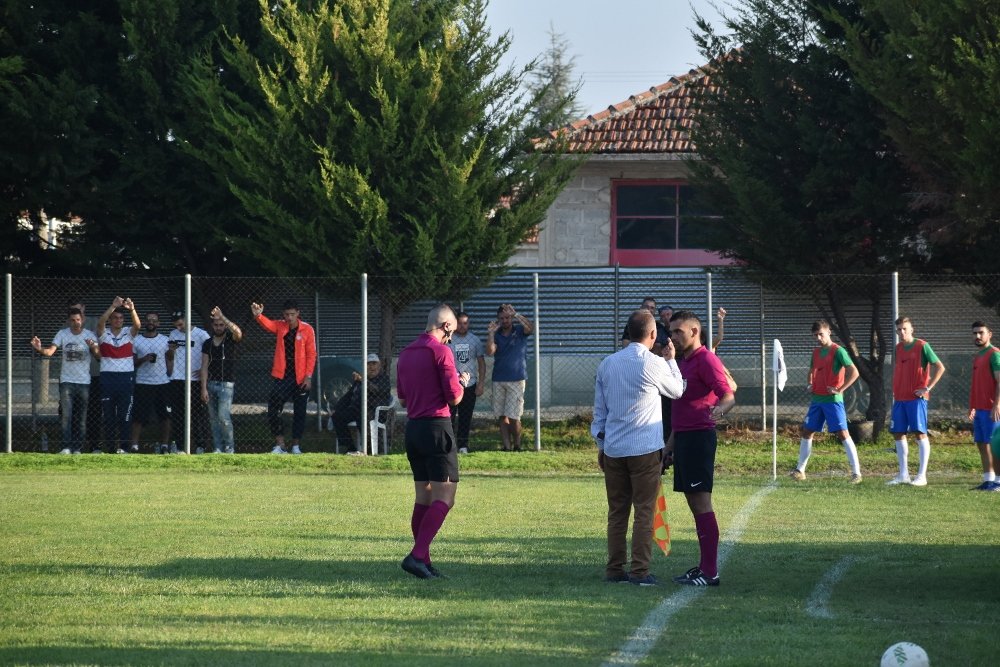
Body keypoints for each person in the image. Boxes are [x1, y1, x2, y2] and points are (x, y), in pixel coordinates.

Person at [592, 310, 684, 586]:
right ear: (653, 334)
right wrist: (672, 362)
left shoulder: (607, 364)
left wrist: (601, 443)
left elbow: (600, 412)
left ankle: (615, 569)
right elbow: (677, 390)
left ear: (627, 333)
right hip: (644, 448)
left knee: (617, 512)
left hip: (614, 448)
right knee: (644, 511)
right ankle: (640, 572)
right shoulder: (653, 363)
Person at [396, 304, 470, 579]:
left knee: (423, 498)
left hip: (413, 428)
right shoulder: (441, 351)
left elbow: (402, 398)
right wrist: (462, 383)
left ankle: (423, 561)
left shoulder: (405, 353)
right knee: (445, 498)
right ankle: (416, 556)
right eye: (452, 329)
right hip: (437, 428)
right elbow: (454, 398)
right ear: (447, 326)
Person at [666, 310, 735, 586]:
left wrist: (720, 411)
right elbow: (680, 412)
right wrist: (668, 447)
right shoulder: (681, 362)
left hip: (699, 439)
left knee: (702, 503)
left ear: (694, 332)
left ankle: (710, 571)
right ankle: (704, 567)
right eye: (670, 332)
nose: (672, 337)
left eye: (677, 332)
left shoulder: (706, 359)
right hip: (683, 439)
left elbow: (727, 393)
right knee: (695, 504)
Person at [790, 319, 863, 484]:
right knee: (807, 431)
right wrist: (810, 384)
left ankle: (856, 473)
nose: (818, 338)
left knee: (843, 433)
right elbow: (811, 371)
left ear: (829, 332)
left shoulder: (838, 351)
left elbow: (854, 372)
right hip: (817, 400)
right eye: (815, 335)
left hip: (833, 400)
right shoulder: (816, 352)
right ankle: (800, 470)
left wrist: (840, 389)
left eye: (821, 334)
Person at [252, 299, 317, 455]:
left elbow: (311, 354)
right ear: (283, 314)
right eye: (287, 314)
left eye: (292, 314)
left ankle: (296, 446)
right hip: (282, 376)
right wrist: (258, 316)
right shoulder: (281, 326)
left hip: (301, 378)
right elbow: (268, 324)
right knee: (274, 409)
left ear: (298, 314)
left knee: (300, 413)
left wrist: (308, 377)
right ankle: (280, 445)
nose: (289, 318)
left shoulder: (307, 329)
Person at [30, 308, 98, 454]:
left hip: (84, 382)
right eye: (72, 320)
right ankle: (66, 447)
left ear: (82, 320)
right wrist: (39, 348)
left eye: (78, 320)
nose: (75, 323)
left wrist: (93, 346)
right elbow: (50, 352)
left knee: (81, 418)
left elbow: (99, 356)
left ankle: (77, 448)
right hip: (66, 381)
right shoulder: (63, 334)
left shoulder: (89, 335)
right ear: (68, 321)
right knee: (66, 416)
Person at [887, 317, 945, 486]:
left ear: (912, 329)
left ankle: (922, 476)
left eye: (904, 329)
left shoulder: (922, 346)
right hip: (900, 399)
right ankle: (903, 475)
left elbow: (940, 367)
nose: (901, 332)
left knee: (920, 434)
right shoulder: (898, 348)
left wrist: (927, 387)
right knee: (898, 433)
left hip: (916, 399)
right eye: (899, 330)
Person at [486, 303, 534, 451]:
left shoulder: (519, 330)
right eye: (502, 318)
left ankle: (517, 445)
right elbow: (490, 351)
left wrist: (517, 314)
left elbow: (531, 328)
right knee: (501, 415)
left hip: (516, 379)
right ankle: (506, 447)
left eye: (507, 317)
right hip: (499, 379)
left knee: (514, 416)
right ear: (498, 319)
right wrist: (491, 334)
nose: (505, 320)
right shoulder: (497, 333)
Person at [95, 297, 141, 454]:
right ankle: (109, 449)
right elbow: (100, 323)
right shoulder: (104, 334)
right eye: (115, 317)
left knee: (124, 416)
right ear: (111, 319)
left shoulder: (128, 333)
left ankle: (124, 448)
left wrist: (132, 309)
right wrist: (112, 306)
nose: (118, 320)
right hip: (108, 379)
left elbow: (138, 325)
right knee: (109, 418)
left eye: (121, 318)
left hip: (125, 379)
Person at [166, 310, 211, 453]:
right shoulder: (174, 334)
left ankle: (200, 445)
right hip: (178, 379)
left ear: (187, 320)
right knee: (178, 414)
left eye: (180, 324)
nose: (179, 328)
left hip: (195, 380)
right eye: (176, 325)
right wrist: (171, 351)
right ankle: (179, 446)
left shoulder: (202, 335)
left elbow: (211, 354)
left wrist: (205, 369)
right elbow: (170, 356)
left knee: (196, 414)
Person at [330, 353, 391, 455]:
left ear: (379, 366)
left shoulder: (383, 379)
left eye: (374, 363)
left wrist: (363, 380)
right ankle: (350, 448)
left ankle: (369, 450)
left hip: (374, 411)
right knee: (337, 416)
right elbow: (348, 396)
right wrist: (336, 408)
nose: (371, 366)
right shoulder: (360, 380)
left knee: (362, 415)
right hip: (357, 409)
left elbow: (376, 390)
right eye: (368, 364)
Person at [200, 307, 243, 454]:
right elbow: (204, 365)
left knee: (224, 417)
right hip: (211, 384)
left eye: (221, 325)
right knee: (213, 419)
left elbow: (238, 332)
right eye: (216, 325)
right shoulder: (207, 343)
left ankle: (229, 447)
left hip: (226, 384)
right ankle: (217, 447)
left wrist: (222, 316)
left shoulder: (231, 339)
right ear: (212, 326)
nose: (219, 327)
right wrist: (203, 388)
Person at [131, 312, 172, 453]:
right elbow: (133, 363)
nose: (151, 322)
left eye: (154, 320)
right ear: (144, 322)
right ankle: (135, 445)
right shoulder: (137, 340)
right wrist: (144, 359)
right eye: (148, 320)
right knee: (139, 415)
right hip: (143, 382)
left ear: (158, 323)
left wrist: (172, 352)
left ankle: (164, 445)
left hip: (162, 383)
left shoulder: (165, 340)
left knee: (165, 416)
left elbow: (170, 359)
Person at [448, 312, 486, 454]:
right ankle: (450, 445)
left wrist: (481, 383)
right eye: (460, 323)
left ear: (469, 324)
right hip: (453, 385)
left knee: (465, 416)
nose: (462, 326)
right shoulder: (449, 339)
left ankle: (463, 445)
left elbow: (481, 363)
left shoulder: (475, 340)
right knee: (449, 416)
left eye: (465, 323)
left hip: (470, 385)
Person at [968, 321, 1000, 490]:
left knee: (996, 446)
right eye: (975, 333)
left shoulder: (994, 354)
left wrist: (997, 405)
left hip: (991, 410)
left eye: (981, 332)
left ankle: (999, 482)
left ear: (990, 334)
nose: (978, 336)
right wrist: (972, 406)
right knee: (982, 444)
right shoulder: (978, 356)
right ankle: (989, 480)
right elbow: (977, 384)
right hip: (979, 409)